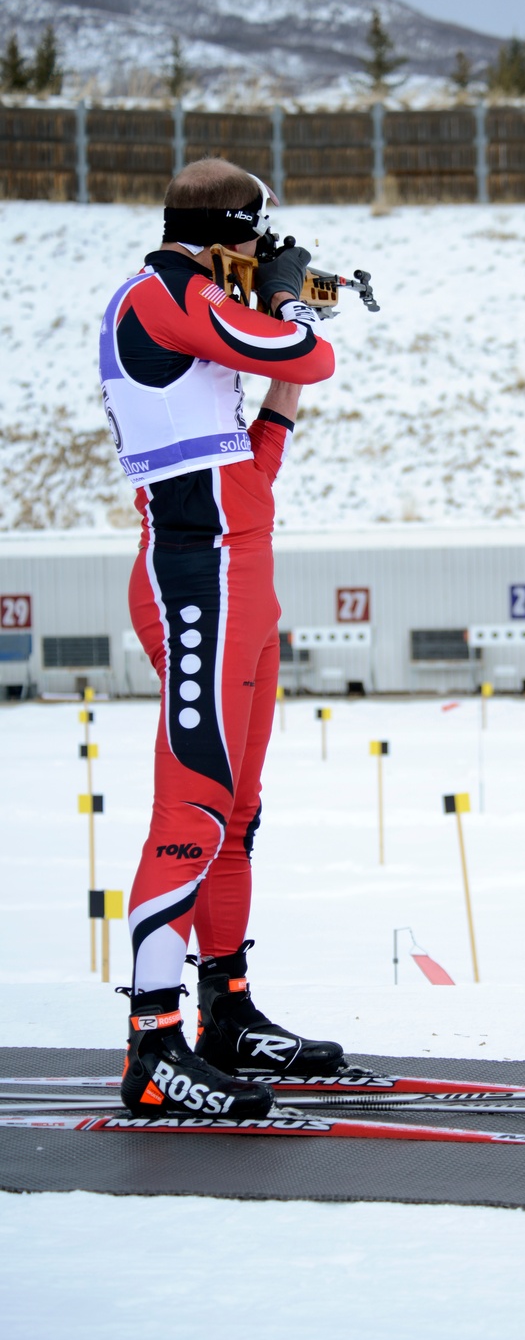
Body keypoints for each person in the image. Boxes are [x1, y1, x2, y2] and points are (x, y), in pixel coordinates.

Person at [99, 158, 347, 1118]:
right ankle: (152, 1045)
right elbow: (302, 353)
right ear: (220, 238)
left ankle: (225, 1015)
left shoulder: (205, 309)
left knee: (237, 813)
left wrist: (294, 326)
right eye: (253, 245)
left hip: (245, 574)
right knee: (194, 811)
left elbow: (256, 454)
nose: (260, 260)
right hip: (194, 576)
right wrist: (291, 318)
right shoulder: (165, 296)